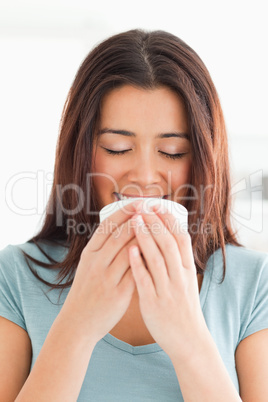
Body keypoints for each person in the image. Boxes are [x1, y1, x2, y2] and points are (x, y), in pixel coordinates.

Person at [0, 29, 267, 401]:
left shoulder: (253, 284)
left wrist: (187, 338)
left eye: (172, 151)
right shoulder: (15, 276)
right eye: (118, 147)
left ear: (203, 160)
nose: (143, 175)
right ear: (80, 151)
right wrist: (77, 326)